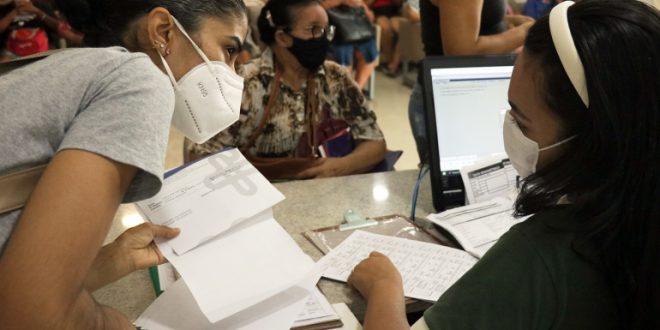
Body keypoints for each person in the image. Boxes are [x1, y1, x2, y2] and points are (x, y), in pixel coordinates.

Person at [348, 0, 660, 328]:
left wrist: (384, 287)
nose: (508, 127)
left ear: (592, 140)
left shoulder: (539, 256)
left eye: (521, 120)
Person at [0, 0, 248, 328]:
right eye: (229, 50)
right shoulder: (139, 80)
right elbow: (32, 315)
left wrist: (108, 262)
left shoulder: (62, 66)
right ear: (164, 31)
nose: (232, 75)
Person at [189, 0, 387, 180]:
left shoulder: (335, 77)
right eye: (314, 30)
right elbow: (200, 157)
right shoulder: (244, 84)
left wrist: (339, 167)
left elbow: (375, 141)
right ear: (283, 37)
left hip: (323, 194)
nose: (323, 39)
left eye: (327, 30)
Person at [408, 0, 533, 164]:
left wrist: (504, 23)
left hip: (465, 96)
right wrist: (526, 31)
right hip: (452, 101)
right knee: (456, 182)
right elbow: (461, 51)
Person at [322, 0, 379, 91]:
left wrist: (362, 6)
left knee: (370, 50)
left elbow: (371, 18)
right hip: (332, 31)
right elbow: (315, 7)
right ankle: (345, 93)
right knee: (343, 51)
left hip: (356, 30)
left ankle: (356, 91)